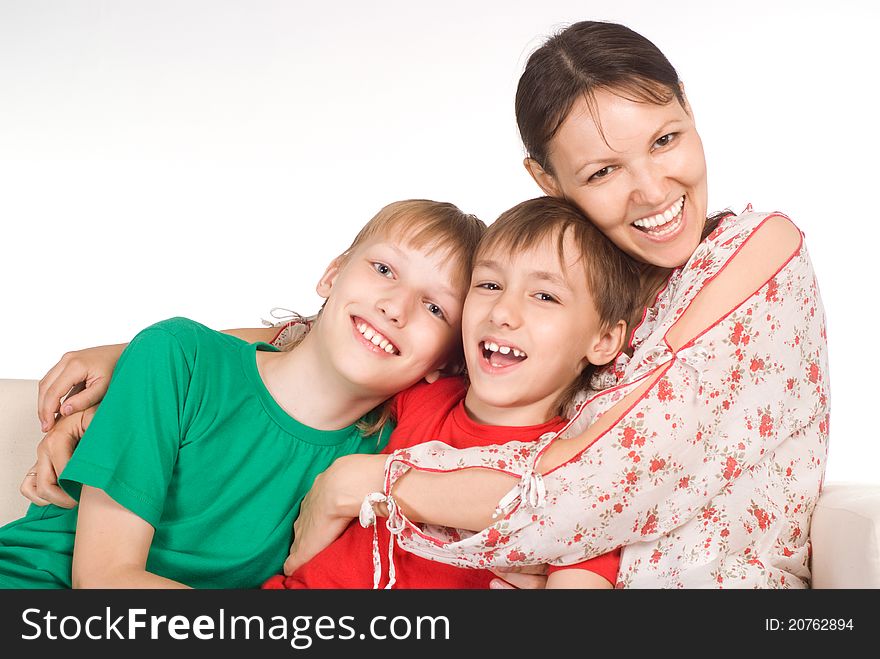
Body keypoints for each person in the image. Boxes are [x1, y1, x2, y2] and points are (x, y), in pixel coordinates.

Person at [283, 21, 829, 589]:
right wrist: (215, 348)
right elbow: (386, 331)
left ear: (688, 106)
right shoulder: (562, 295)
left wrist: (368, 483)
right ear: (548, 180)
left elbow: (600, 483)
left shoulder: (760, 250)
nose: (652, 190)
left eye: (664, 139)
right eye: (603, 172)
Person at [0, 199, 485, 588]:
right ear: (332, 275)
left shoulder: (385, 454)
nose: (395, 307)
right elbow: (104, 579)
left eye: (435, 307)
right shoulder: (179, 358)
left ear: (446, 361)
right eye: (383, 269)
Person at [263, 196, 640, 589]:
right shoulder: (424, 392)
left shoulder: (574, 474)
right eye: (489, 285)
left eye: (545, 296)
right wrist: (206, 349)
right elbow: (324, 350)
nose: (501, 312)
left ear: (605, 339)